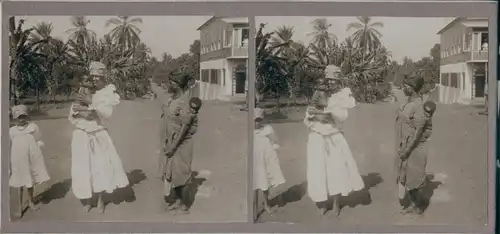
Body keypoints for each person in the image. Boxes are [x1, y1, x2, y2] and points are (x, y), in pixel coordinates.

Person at [304, 65, 365, 217]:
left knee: (336, 170)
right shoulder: (318, 93)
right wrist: (317, 116)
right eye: (328, 80)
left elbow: (341, 117)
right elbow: (307, 117)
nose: (330, 83)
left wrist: (324, 114)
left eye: (333, 80)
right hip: (317, 136)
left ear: (338, 81)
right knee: (318, 171)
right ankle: (323, 203)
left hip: (333, 136)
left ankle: (336, 203)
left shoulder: (342, 96)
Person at [70, 61, 129, 213]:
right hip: (82, 135)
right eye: (93, 76)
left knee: (101, 167)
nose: (95, 79)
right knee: (84, 169)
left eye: (98, 76)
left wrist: (90, 103)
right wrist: (82, 112)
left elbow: (106, 114)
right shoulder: (84, 90)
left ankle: (101, 200)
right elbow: (72, 115)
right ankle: (88, 200)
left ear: (104, 77)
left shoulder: (108, 94)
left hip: (98, 134)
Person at [149, 65, 196, 214]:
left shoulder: (184, 102)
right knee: (171, 172)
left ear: (176, 84)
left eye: (170, 82)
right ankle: (176, 200)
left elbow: (184, 128)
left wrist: (173, 147)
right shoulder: (173, 98)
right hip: (171, 142)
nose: (168, 85)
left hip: (180, 145)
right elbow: (157, 90)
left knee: (181, 174)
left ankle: (184, 206)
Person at [395, 74, 431, 215]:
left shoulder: (419, 106)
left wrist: (407, 150)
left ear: (413, 88)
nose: (403, 87)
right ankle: (413, 204)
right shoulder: (407, 102)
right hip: (405, 145)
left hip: (415, 147)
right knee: (405, 175)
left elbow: (418, 132)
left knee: (415, 176)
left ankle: (419, 207)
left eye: (406, 85)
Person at [9, 105, 50, 218]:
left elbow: (38, 139)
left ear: (27, 116)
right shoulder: (12, 131)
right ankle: (19, 205)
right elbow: (14, 144)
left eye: (23, 116)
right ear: (14, 118)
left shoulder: (33, 127)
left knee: (29, 180)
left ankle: (31, 201)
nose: (21, 119)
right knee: (19, 181)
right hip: (18, 159)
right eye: (18, 117)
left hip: (31, 157)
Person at [253, 107, 285, 215]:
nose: (256, 122)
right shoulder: (249, 133)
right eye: (254, 120)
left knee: (264, 182)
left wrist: (275, 150)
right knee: (254, 184)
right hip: (254, 161)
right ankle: (254, 207)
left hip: (265, 160)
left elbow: (275, 141)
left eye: (258, 120)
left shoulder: (268, 130)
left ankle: (266, 204)